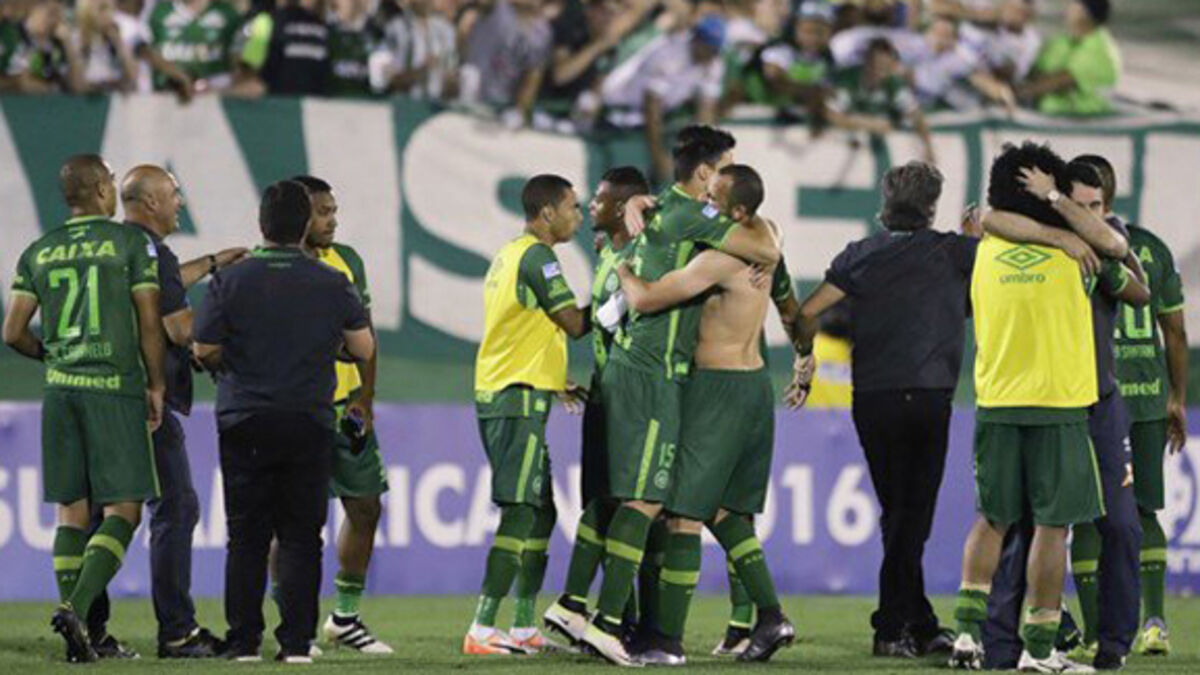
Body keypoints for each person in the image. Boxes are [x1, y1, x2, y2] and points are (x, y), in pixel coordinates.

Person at [577, 126, 780, 666]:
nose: (729, 175)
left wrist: (625, 246)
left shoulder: (695, 229)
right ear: (707, 173)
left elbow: (646, 292)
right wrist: (631, 248)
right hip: (710, 379)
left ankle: (658, 635)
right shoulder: (716, 223)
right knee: (696, 508)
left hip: (695, 381)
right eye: (726, 165)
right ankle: (751, 620)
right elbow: (769, 250)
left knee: (679, 510)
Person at [790, 161, 974, 658]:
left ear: (886, 203)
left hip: (873, 399)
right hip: (929, 397)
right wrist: (976, 239)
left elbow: (807, 312)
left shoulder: (860, 255)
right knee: (912, 517)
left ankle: (918, 623)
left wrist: (804, 360)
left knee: (898, 515)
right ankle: (891, 628)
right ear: (931, 207)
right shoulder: (956, 252)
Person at [192, 180, 374, 663]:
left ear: (261, 225)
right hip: (308, 418)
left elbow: (203, 348)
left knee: (246, 536)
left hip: (244, 418)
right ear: (303, 224)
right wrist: (325, 346)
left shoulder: (230, 280)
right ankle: (295, 643)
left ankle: (243, 641)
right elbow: (362, 347)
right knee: (301, 536)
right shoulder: (331, 280)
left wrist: (234, 363)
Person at [979, 156, 1149, 671]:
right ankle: (1003, 647)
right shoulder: (1038, 241)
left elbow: (1140, 292)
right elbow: (987, 218)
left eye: (1096, 206)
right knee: (1023, 528)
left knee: (1122, 526)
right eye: (1080, 205)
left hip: (1099, 404)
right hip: (1049, 403)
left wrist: (1063, 208)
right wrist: (1058, 229)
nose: (1089, 215)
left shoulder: (1106, 240)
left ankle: (1114, 644)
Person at [947, 143, 1109, 672]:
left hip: (997, 403)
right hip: (1058, 405)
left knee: (992, 519)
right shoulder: (1078, 258)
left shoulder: (981, 252)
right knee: (1052, 528)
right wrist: (1060, 207)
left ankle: (966, 633)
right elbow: (1111, 242)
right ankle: (1039, 651)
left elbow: (990, 218)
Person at [2, 154, 166, 663]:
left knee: (70, 512)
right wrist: (156, 383)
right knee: (124, 510)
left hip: (60, 392)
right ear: (99, 190)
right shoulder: (129, 243)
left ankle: (79, 643)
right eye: (111, 182)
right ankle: (75, 610)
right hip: (112, 388)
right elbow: (148, 321)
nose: (114, 189)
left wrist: (51, 356)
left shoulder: (39, 251)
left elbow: (12, 332)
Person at [118, 165, 247, 658]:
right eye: (174, 194)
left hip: (100, 396)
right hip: (146, 399)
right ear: (151, 202)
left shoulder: (119, 247)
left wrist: (212, 263)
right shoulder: (153, 250)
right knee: (176, 507)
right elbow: (179, 327)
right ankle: (177, 631)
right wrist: (226, 310)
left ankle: (90, 624)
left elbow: (164, 283)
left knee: (100, 511)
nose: (181, 203)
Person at [462, 174, 592, 656]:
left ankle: (521, 627)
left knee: (542, 511)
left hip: (518, 391)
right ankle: (481, 628)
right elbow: (574, 324)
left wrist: (554, 378)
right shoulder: (539, 257)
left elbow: (521, 326)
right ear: (547, 213)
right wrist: (622, 292)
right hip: (513, 399)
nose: (578, 216)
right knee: (521, 510)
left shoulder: (510, 254)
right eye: (572, 207)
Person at [542, 166, 650, 643]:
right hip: (612, 392)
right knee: (613, 500)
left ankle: (583, 606)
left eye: (600, 199)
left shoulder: (640, 254)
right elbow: (594, 320)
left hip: (627, 393)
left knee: (615, 501)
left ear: (625, 206)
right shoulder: (610, 254)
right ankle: (589, 609)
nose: (590, 206)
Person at [286, 175, 393, 654]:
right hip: (297, 407)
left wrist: (365, 398)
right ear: (298, 215)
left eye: (334, 211)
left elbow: (364, 331)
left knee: (366, 506)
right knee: (293, 521)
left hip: (346, 409)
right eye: (322, 212)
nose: (332, 220)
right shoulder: (274, 264)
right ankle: (293, 626)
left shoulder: (347, 260)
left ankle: (345, 619)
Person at [1101, 159, 1189, 657]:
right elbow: (1175, 331)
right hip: (1150, 397)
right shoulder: (1152, 246)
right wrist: (1176, 396)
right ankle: (1154, 622)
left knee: (1090, 516)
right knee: (1145, 509)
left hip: (1097, 399)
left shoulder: (1078, 245)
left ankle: (1094, 632)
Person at [600, 16, 728, 184]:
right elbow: (651, 107)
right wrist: (658, 157)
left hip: (656, 120)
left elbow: (706, 112)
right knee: (628, 186)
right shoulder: (669, 55)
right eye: (710, 49)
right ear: (697, 41)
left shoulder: (713, 62)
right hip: (620, 116)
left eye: (716, 50)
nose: (712, 55)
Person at [825, 38, 935, 165]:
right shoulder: (849, 79)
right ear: (867, 62)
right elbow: (832, 115)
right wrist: (870, 123)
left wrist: (928, 147)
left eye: (887, 66)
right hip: (844, 144)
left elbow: (915, 114)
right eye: (877, 65)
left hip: (878, 146)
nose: (882, 71)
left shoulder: (895, 84)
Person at [459, 0, 552, 127]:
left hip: (502, 109)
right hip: (467, 98)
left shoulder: (542, 32)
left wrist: (519, 112)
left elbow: (533, 76)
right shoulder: (497, 6)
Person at [1019, 0, 1120, 116]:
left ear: (1084, 12)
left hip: (1084, 117)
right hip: (1046, 113)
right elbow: (1033, 69)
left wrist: (1016, 93)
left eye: (1072, 4)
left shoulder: (1100, 49)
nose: (1066, 7)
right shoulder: (1063, 41)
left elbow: (1057, 82)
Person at [146, 0, 243, 94]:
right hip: (166, 92)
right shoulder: (158, 12)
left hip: (216, 91)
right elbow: (146, 53)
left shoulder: (229, 13)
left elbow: (237, 60)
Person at [240, 0, 333, 96]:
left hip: (279, 99)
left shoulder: (266, 22)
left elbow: (249, 67)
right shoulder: (323, 27)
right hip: (316, 100)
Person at [369, 0, 458, 99]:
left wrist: (450, 81)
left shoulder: (445, 29)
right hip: (406, 101)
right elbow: (388, 79)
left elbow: (451, 75)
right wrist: (421, 72)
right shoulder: (397, 28)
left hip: (437, 102)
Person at [0, 0, 85, 94]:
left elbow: (79, 87)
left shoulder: (58, 43)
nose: (54, 21)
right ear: (34, 8)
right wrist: (17, 83)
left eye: (59, 16)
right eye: (51, 13)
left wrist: (69, 44)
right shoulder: (10, 35)